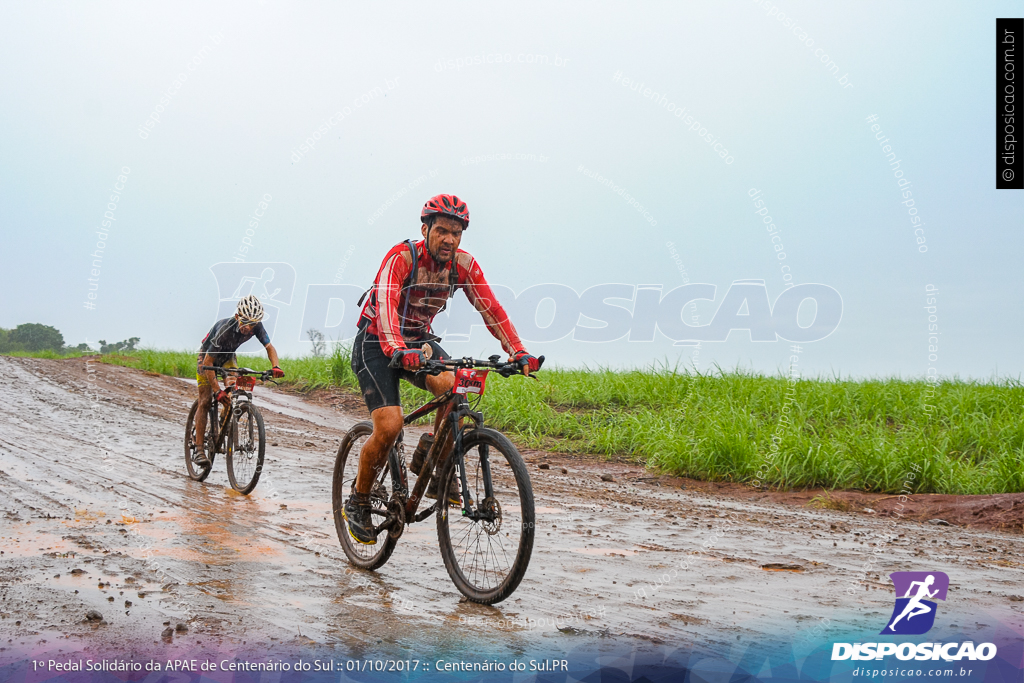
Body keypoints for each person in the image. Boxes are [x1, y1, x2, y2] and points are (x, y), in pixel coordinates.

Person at [344, 193, 541, 545]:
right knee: (389, 426)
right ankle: (357, 500)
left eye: (457, 232)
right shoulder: (402, 257)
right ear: (426, 230)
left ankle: (433, 461)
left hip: (418, 341)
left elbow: (491, 309)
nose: (449, 239)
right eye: (442, 231)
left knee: (457, 386)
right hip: (376, 342)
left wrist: (518, 351)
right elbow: (387, 304)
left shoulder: (462, 265)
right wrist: (396, 349)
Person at [193, 295, 284, 466]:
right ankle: (198, 448)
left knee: (233, 390)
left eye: (252, 324)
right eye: (245, 322)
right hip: (207, 358)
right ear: (237, 317)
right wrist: (217, 391)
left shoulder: (256, 326)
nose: (248, 328)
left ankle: (223, 419)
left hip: (228, 356)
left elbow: (269, 347)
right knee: (205, 400)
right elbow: (208, 363)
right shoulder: (225, 329)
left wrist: (276, 367)